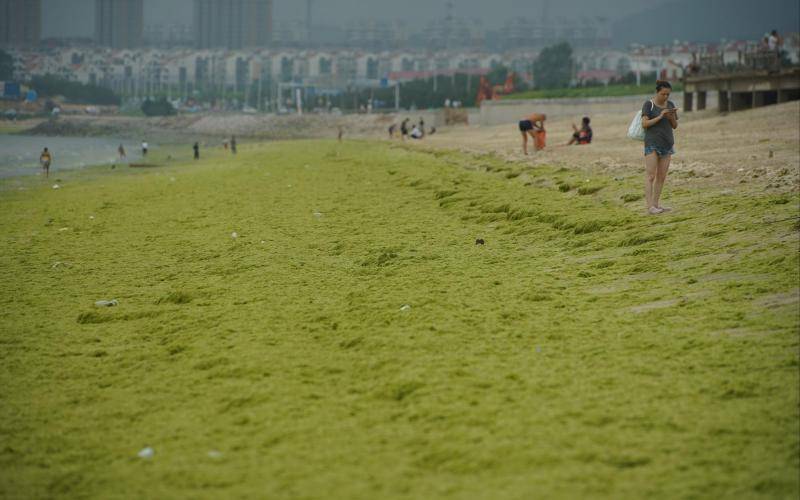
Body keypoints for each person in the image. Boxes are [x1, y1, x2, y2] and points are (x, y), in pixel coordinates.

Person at [641, 80, 678, 215]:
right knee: (651, 175)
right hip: (652, 143)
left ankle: (656, 205)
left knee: (661, 176)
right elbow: (644, 124)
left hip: (667, 143)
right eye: (663, 94)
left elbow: (674, 126)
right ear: (657, 92)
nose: (666, 97)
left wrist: (671, 116)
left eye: (668, 94)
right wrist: (661, 115)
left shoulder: (670, 105)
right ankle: (650, 206)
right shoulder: (648, 105)